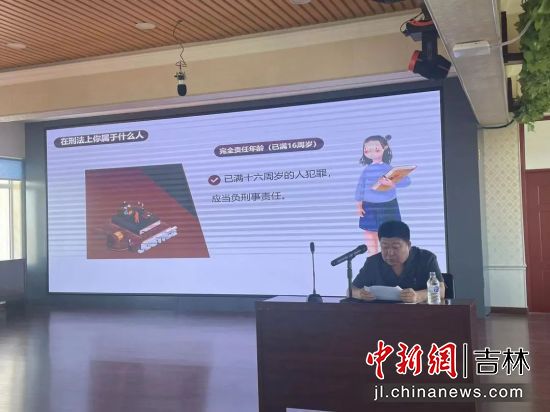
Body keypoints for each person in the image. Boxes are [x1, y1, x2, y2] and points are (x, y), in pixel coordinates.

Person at [350, 220, 445, 303]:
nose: (390, 253)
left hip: (419, 314)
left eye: (395, 247)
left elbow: (441, 290)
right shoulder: (372, 262)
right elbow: (351, 290)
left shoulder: (426, 258)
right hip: (381, 315)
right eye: (385, 247)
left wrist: (418, 296)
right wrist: (360, 294)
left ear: (408, 245)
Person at [355, 135, 411, 255]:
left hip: (388, 206)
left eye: (376, 149)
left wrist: (392, 184)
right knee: (370, 233)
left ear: (384, 148)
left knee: (390, 235)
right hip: (369, 206)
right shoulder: (367, 170)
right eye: (367, 150)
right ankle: (372, 257)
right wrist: (359, 205)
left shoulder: (388, 168)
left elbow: (406, 181)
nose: (371, 152)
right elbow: (360, 187)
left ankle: (390, 258)